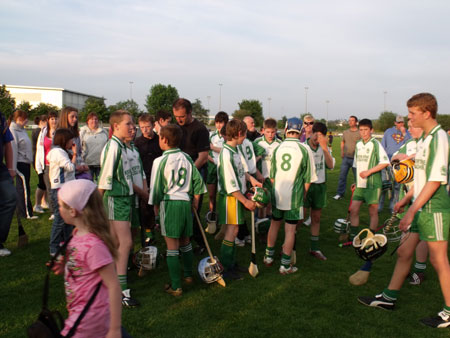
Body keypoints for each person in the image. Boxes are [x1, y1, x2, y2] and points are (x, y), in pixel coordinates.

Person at [358, 93, 450, 328]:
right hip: (420, 206)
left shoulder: (438, 138)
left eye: (412, 113)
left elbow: (435, 181)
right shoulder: (426, 139)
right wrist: (406, 200)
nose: (408, 118)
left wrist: (411, 211)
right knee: (404, 252)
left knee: (439, 261)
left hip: (434, 208)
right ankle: (389, 297)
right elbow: (420, 178)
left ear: (426, 113)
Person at [52, 179, 122, 337]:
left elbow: (113, 285)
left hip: (90, 316)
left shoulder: (94, 246)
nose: (59, 209)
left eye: (61, 205)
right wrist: (66, 265)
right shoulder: (76, 234)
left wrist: (115, 329)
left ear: (73, 211)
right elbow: (84, 265)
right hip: (79, 309)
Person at [149, 124, 207, 295]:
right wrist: (195, 202)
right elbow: (198, 182)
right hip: (185, 203)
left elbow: (156, 190)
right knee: (186, 241)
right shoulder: (188, 158)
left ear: (164, 140)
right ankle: (188, 275)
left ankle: (176, 286)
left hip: (170, 204)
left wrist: (157, 213)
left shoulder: (160, 161)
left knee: (172, 246)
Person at [263, 117, 316, 274]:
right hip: (294, 195)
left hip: (277, 192)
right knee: (290, 230)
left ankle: (268, 257)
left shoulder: (278, 147)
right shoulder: (305, 149)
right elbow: (308, 179)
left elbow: (272, 175)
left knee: (275, 223)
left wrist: (277, 190)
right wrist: (303, 195)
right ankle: (285, 265)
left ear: (286, 130)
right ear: (300, 131)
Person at [98, 110, 138, 307]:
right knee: (125, 242)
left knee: (115, 243)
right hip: (116, 199)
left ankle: (108, 283)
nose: (132, 127)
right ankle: (122, 291)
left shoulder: (122, 146)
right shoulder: (113, 147)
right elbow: (104, 180)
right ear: (115, 127)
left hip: (123, 198)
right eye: (128, 124)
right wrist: (94, 208)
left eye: (132, 124)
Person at [347, 119, 390, 286]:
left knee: (373, 211)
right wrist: (356, 181)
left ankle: (370, 239)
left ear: (371, 130)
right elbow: (357, 165)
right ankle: (355, 237)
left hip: (373, 184)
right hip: (361, 184)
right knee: (354, 209)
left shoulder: (375, 144)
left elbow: (385, 162)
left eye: (366, 130)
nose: (364, 132)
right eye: (361, 130)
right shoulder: (358, 145)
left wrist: (369, 172)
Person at [217, 119, 260, 280]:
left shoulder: (234, 150)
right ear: (240, 134)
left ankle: (231, 263)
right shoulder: (226, 153)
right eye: (244, 135)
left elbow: (241, 171)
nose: (245, 138)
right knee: (231, 231)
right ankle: (225, 267)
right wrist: (245, 201)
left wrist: (251, 179)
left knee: (234, 231)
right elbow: (230, 184)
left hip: (236, 196)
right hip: (231, 198)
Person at [391, 120, 428, 285]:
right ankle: (404, 269)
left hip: (426, 198)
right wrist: (401, 158)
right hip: (408, 193)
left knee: (424, 237)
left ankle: (419, 271)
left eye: (413, 125)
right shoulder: (410, 143)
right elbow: (394, 158)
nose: (408, 129)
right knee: (406, 232)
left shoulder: (430, 144)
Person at [172, 98, 210, 254]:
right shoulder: (176, 128)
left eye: (181, 116)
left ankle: (200, 243)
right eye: (176, 116)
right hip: (178, 172)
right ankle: (183, 243)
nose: (179, 119)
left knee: (193, 209)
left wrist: (189, 171)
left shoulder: (200, 129)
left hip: (195, 172)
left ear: (189, 113)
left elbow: (203, 156)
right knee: (181, 208)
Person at [304, 122, 334, 260]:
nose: (317, 138)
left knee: (316, 218)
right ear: (311, 133)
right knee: (300, 217)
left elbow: (330, 165)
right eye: (316, 134)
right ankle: (288, 246)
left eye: (321, 135)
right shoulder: (304, 147)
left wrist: (325, 148)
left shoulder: (325, 148)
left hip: (319, 186)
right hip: (305, 186)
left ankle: (314, 248)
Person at [47, 128, 77, 255]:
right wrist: (74, 155)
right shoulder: (59, 152)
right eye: (71, 140)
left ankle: (67, 243)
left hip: (64, 187)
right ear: (64, 140)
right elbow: (70, 167)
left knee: (68, 218)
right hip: (60, 188)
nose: (73, 142)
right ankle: (54, 247)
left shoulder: (60, 152)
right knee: (60, 219)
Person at [134, 114, 162, 245]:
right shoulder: (137, 143)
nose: (145, 130)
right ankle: (149, 234)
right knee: (145, 208)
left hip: (159, 177)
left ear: (153, 126)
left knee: (161, 204)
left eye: (148, 127)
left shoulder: (160, 140)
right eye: (142, 127)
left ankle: (163, 227)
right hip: (144, 178)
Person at [379, 115, 412, 212]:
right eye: (398, 122)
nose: (400, 124)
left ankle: (392, 207)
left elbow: (409, 143)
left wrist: (404, 133)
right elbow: (383, 146)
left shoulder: (407, 133)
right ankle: (379, 206)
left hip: (400, 165)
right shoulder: (388, 132)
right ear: (395, 123)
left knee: (397, 187)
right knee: (385, 185)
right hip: (388, 163)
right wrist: (384, 161)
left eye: (402, 122)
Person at [9, 110, 37, 219]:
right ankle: (26, 213)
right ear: (19, 119)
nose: (26, 121)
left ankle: (22, 210)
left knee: (25, 187)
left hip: (26, 162)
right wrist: (13, 167)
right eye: (25, 118)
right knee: (24, 189)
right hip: (19, 163)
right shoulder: (13, 130)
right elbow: (13, 149)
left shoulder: (22, 130)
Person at [254, 118, 281, 219]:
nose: (270, 135)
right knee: (261, 205)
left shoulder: (279, 143)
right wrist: (258, 174)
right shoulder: (257, 142)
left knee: (270, 205)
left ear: (276, 131)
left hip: (273, 179)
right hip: (260, 178)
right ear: (263, 130)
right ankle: (259, 225)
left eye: (273, 132)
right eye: (267, 132)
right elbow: (252, 162)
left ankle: (268, 227)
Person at [35, 110, 59, 217]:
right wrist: (39, 166)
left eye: (55, 118)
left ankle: (60, 210)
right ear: (48, 120)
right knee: (49, 189)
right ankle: (53, 212)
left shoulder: (60, 132)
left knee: (58, 188)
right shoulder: (43, 132)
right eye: (52, 119)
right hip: (47, 165)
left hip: (58, 165)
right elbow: (39, 149)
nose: (54, 121)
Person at [0, 110, 17, 257]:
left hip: (1, 169)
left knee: (11, 198)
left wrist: (11, 167)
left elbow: (7, 143)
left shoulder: (1, 117)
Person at [206, 111, 228, 222]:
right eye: (217, 122)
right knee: (211, 195)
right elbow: (206, 151)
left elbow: (227, 151)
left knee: (223, 194)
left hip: (224, 168)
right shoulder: (211, 135)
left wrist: (213, 148)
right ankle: (212, 216)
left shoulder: (228, 137)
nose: (219, 125)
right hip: (212, 168)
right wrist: (213, 160)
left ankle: (224, 218)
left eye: (221, 122)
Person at [58, 107, 89, 178]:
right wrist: (74, 166)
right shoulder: (59, 134)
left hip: (77, 172)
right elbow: (60, 156)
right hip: (65, 174)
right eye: (72, 117)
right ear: (65, 117)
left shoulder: (76, 134)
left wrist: (82, 164)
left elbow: (79, 152)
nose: (75, 119)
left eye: (76, 117)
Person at [333, 116, 361, 200]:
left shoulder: (360, 132)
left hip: (356, 159)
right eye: (349, 120)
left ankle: (359, 195)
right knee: (342, 177)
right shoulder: (345, 132)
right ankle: (340, 194)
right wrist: (342, 151)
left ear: (356, 122)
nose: (350, 122)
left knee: (357, 178)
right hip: (346, 158)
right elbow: (342, 142)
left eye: (352, 120)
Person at [80, 112, 109, 181]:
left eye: (96, 119)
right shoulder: (82, 132)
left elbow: (108, 146)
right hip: (88, 165)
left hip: (101, 164)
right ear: (87, 121)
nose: (94, 121)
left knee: (101, 184)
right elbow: (79, 147)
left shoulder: (104, 132)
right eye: (92, 119)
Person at [32, 115, 49, 212]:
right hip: (38, 160)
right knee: (42, 183)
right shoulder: (38, 131)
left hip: (44, 160)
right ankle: (37, 204)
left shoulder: (44, 130)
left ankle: (44, 201)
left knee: (46, 182)